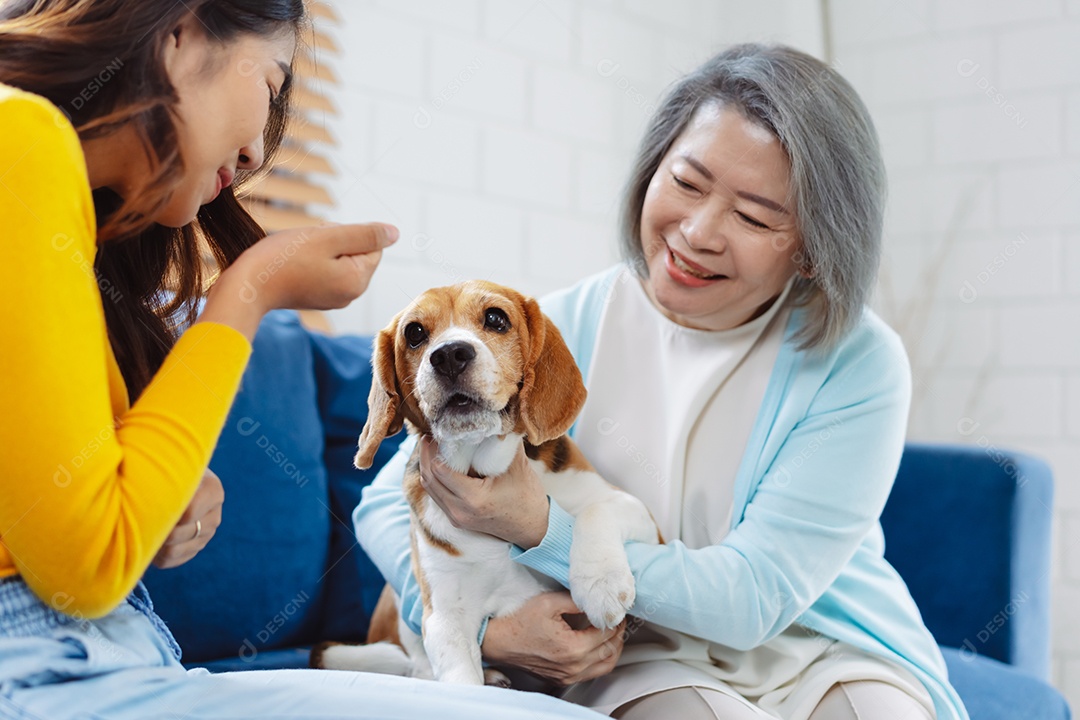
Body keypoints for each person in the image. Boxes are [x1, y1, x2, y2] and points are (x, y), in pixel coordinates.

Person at [0, 2, 606, 718]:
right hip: (44, 664)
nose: (258, 149)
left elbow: (84, 530)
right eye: (272, 82)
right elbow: (88, 569)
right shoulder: (22, 138)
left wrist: (145, 504)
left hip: (115, 651)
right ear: (180, 29)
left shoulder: (57, 207)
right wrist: (251, 287)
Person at [355, 44, 970, 720]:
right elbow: (386, 506)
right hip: (644, 654)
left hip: (834, 644)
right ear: (651, 170)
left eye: (755, 216)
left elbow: (752, 599)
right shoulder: (554, 327)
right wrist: (480, 632)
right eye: (687, 181)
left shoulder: (861, 363)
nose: (698, 231)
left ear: (813, 248)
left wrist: (543, 530)